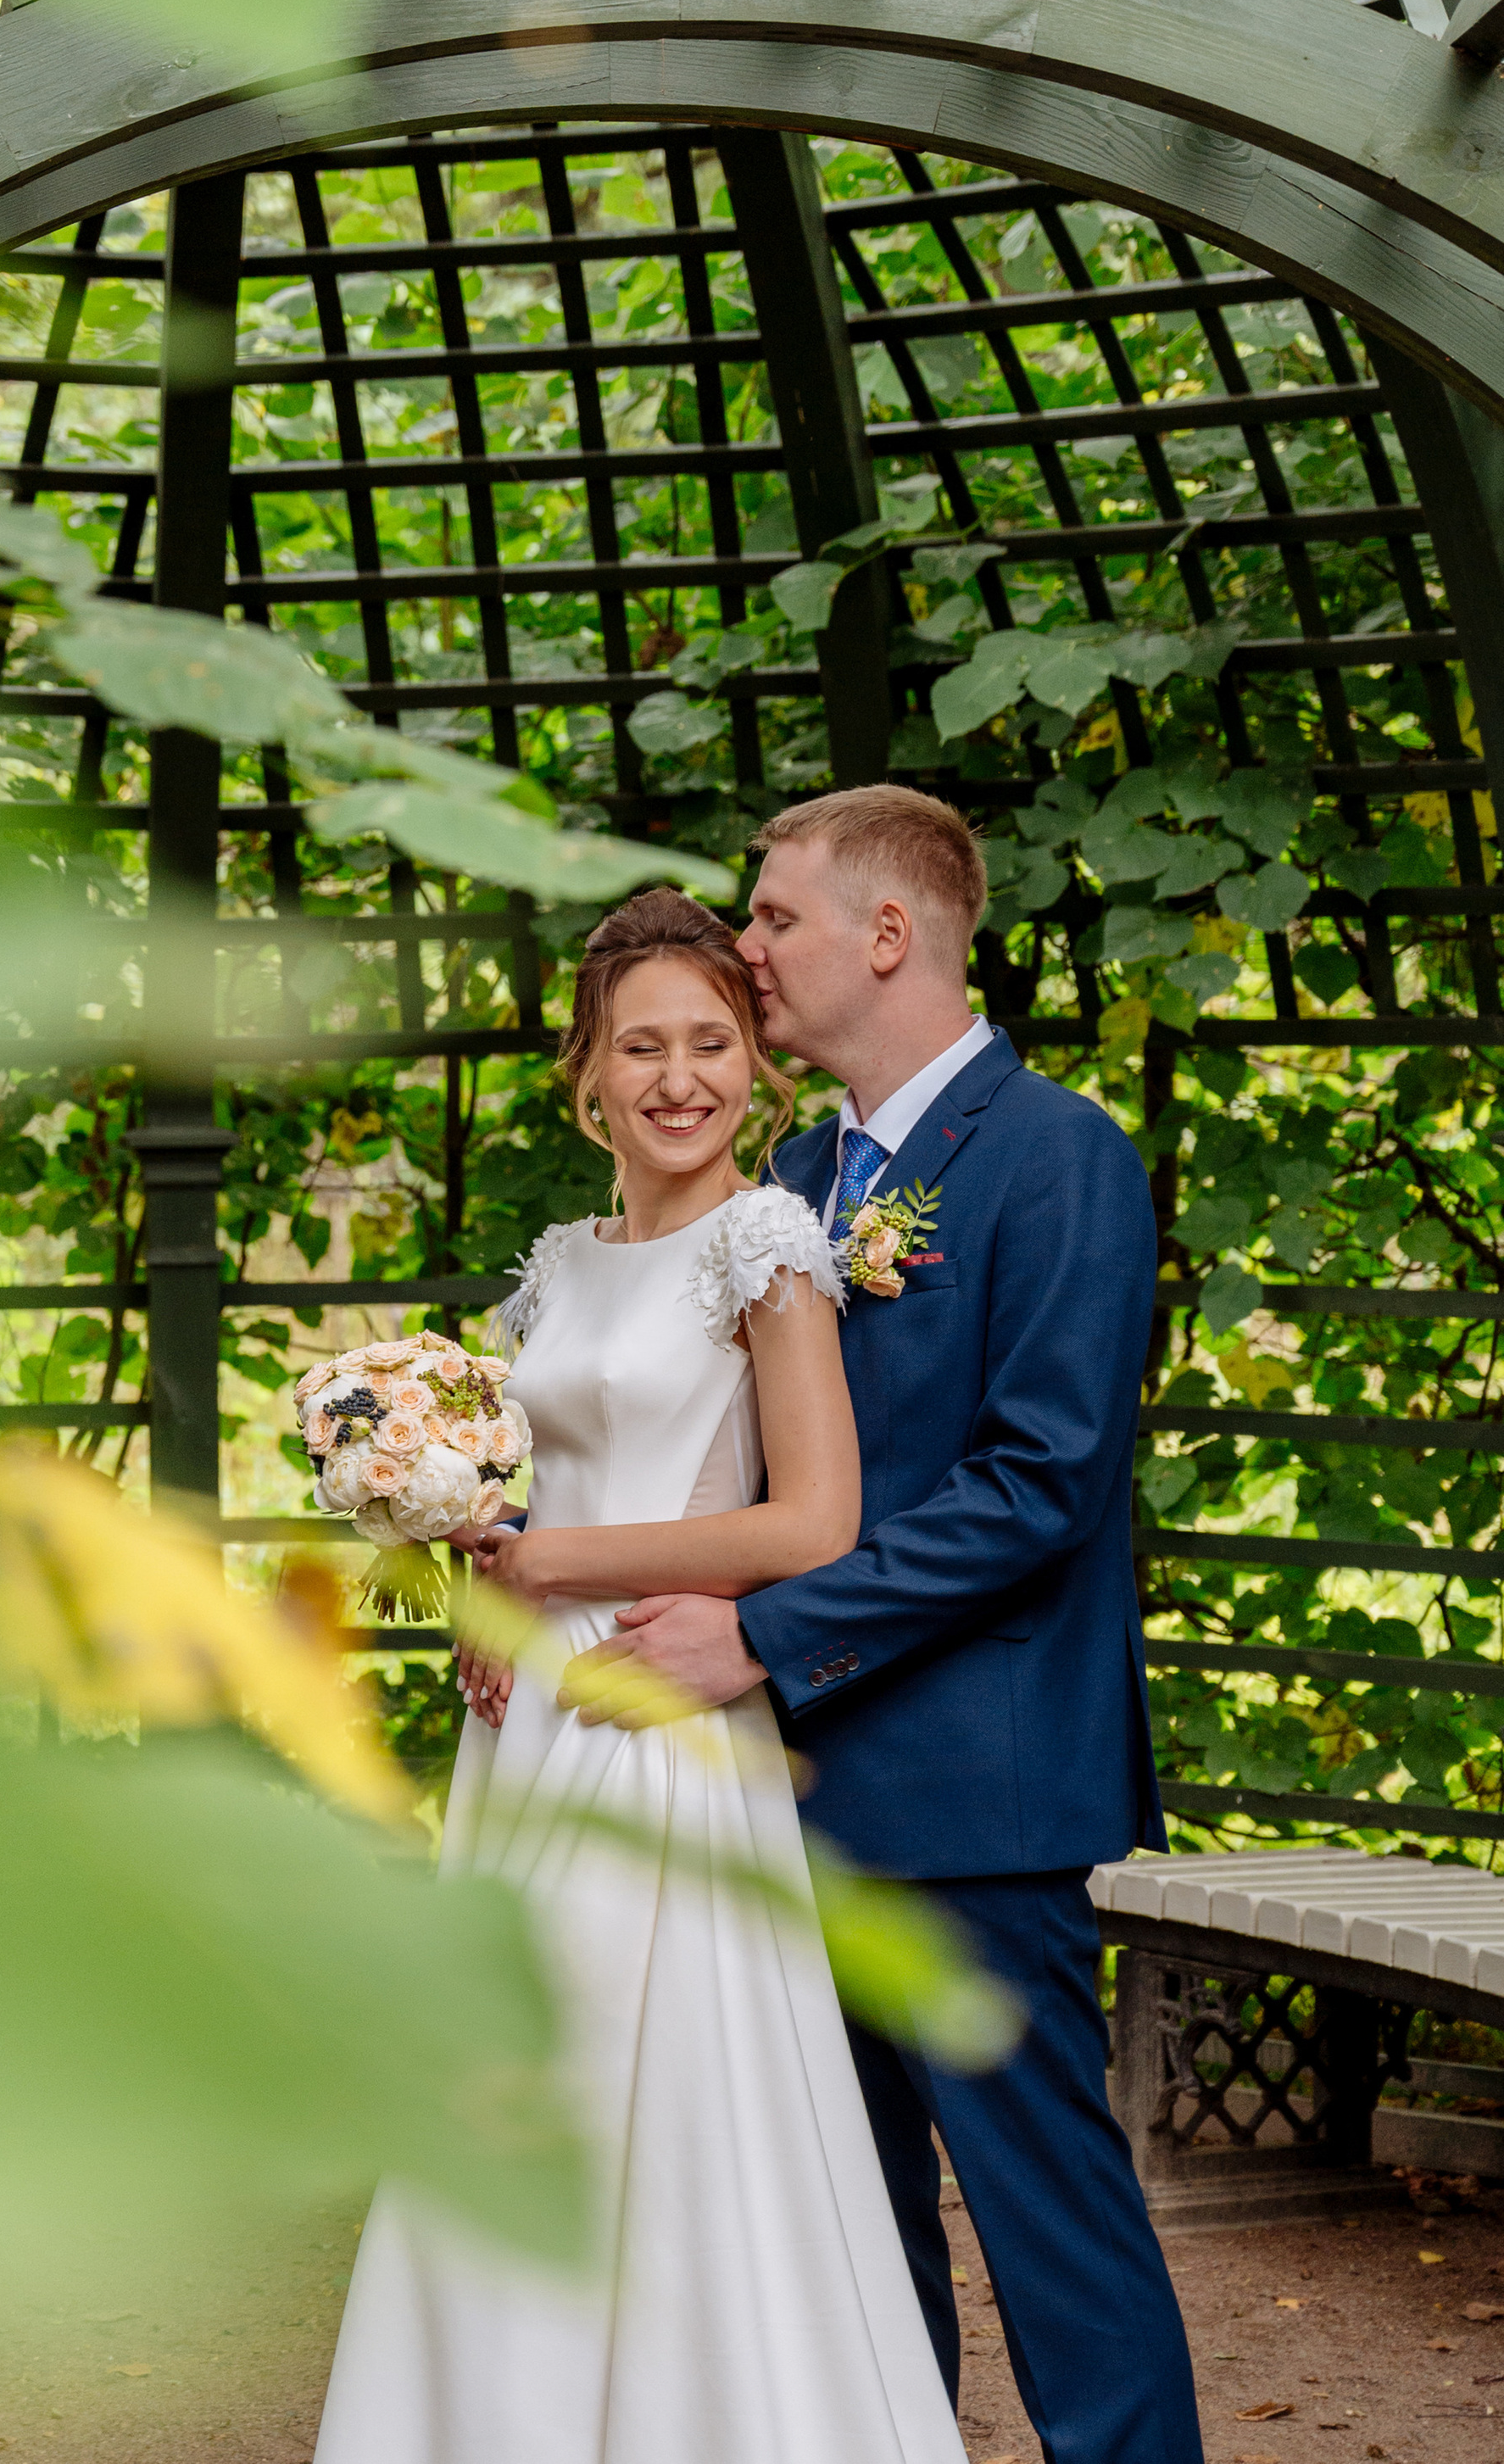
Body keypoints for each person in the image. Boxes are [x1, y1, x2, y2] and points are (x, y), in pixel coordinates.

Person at [565, 784, 1202, 2464]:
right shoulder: (783, 1176)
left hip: (976, 1800)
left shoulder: (1057, 1155)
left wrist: (762, 1637)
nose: (745, 944)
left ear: (886, 932)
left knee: (1051, 2226)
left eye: (769, 917)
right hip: (780, 1796)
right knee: (847, 2249)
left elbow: (1037, 1482)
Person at [311, 888, 966, 2464]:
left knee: (615, 2083)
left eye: (714, 1044)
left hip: (665, 1710)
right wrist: (479, 1568)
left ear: (760, 1065)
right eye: (642, 1048)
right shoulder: (559, 1264)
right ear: (586, 1077)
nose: (683, 1079)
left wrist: (560, 1572)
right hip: (532, 1717)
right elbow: (533, 1487)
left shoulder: (772, 1250)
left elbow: (816, 1520)